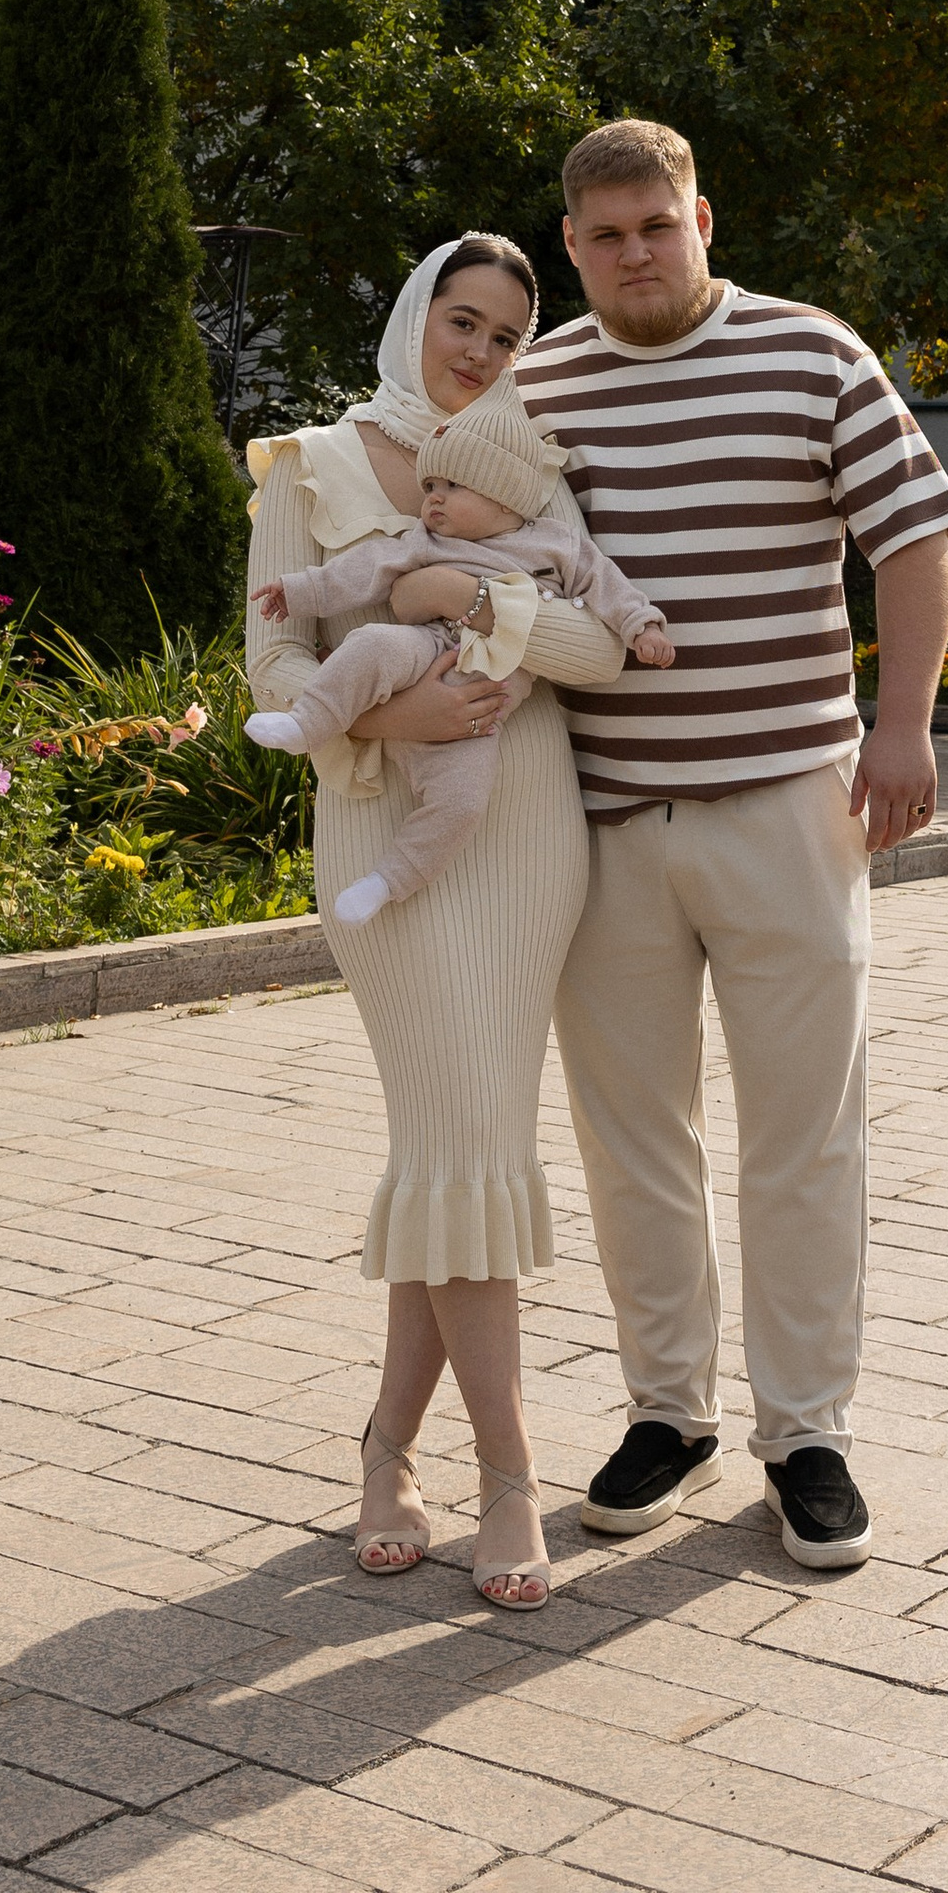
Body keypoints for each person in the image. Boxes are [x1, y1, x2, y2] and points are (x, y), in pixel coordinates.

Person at [518, 117, 948, 1571]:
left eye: (657, 222)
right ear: (571, 246)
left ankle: (808, 1432)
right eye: (604, 235)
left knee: (802, 1131)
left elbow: (913, 539)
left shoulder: (812, 355)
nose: (634, 253)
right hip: (603, 822)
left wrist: (902, 728)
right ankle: (670, 1413)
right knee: (631, 1137)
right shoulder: (537, 388)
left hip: (788, 801)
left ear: (705, 215)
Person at [244, 233, 628, 1608]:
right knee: (461, 1137)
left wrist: (464, 595)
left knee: (453, 1151)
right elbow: (273, 659)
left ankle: (388, 1450)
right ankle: (513, 1478)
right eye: (462, 321)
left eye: (507, 337)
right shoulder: (307, 465)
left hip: (525, 841)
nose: (478, 352)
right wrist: (396, 701)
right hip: (376, 833)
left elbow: (595, 653)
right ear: (416, 315)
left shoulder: (532, 478)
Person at [246, 372, 672, 924]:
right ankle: (307, 722)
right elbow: (364, 571)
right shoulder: (428, 541)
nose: (433, 500)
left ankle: (388, 881)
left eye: (452, 487)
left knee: (463, 802)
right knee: (371, 642)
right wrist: (298, 590)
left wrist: (644, 626)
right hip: (429, 647)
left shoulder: (555, 542)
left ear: (502, 494)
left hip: (487, 701)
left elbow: (605, 587)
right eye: (429, 487)